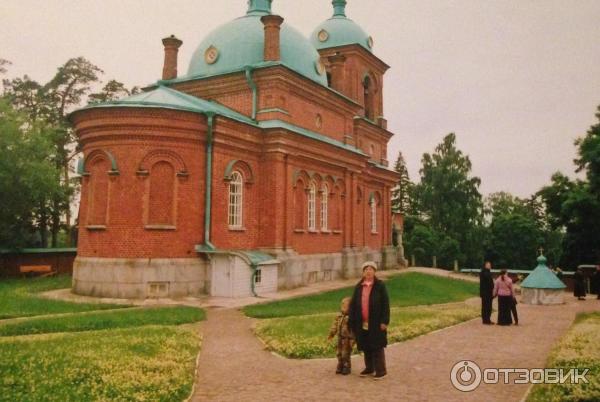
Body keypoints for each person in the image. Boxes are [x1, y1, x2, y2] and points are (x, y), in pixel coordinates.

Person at [348, 261, 390, 380]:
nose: (368, 271)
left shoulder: (380, 286)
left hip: (376, 322)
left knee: (377, 345)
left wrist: (384, 321)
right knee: (366, 345)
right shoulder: (359, 286)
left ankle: (381, 370)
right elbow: (353, 304)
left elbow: (385, 304)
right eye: (366, 269)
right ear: (363, 272)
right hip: (362, 322)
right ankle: (369, 367)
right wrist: (352, 321)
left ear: (375, 272)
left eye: (371, 269)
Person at [327, 297, 355, 375]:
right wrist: (331, 334)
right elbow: (334, 325)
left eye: (345, 306)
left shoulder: (352, 317)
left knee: (345, 353)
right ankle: (340, 363)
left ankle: (346, 366)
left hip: (348, 338)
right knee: (338, 352)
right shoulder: (339, 316)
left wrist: (354, 339)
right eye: (342, 306)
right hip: (339, 337)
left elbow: (355, 329)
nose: (343, 308)